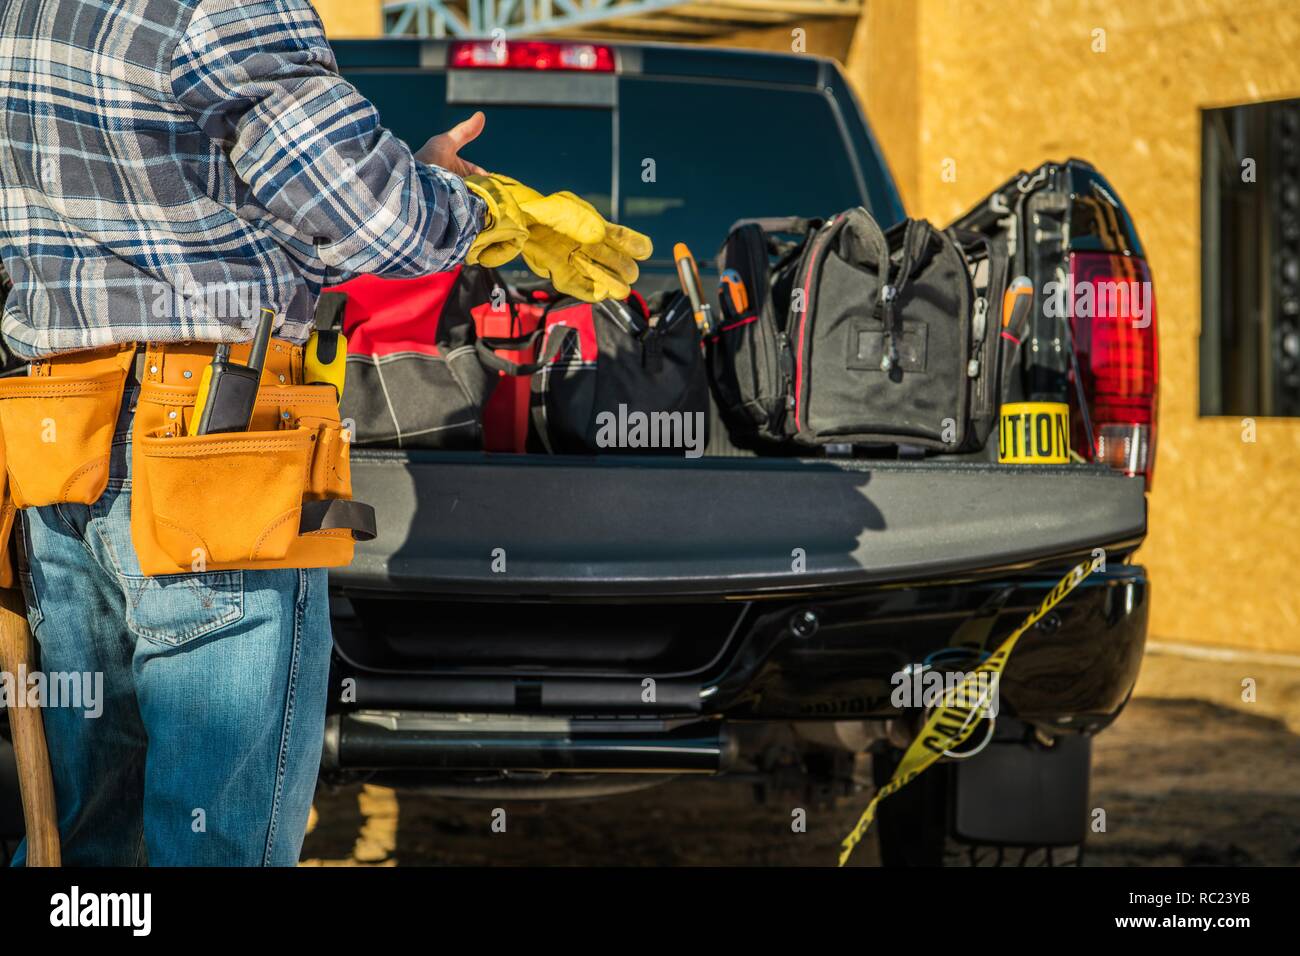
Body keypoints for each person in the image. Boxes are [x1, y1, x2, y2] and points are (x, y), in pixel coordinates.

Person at [0, 0, 647, 866]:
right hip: (211, 453)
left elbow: (232, 230)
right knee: (215, 839)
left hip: (52, 445)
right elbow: (373, 216)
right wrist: (478, 210)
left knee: (90, 837)